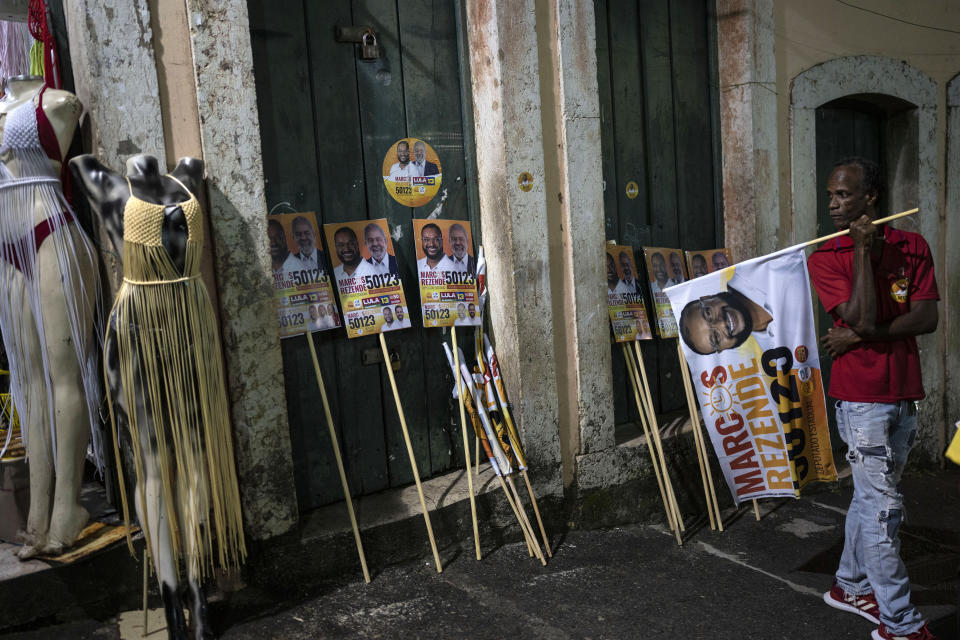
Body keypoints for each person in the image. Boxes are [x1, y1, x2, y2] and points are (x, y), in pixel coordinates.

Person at [808, 157, 939, 640]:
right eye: (831, 196)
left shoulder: (913, 246)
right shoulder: (826, 256)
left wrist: (858, 337)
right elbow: (859, 315)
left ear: (871, 198)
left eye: (843, 195)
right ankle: (900, 623)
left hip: (903, 390)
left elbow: (926, 319)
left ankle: (848, 584)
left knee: (873, 500)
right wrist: (861, 253)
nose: (834, 205)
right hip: (860, 399)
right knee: (884, 508)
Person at [677, 283, 773, 355]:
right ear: (722, 349)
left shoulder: (753, 268)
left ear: (707, 297)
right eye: (716, 338)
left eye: (709, 314)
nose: (722, 323)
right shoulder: (775, 350)